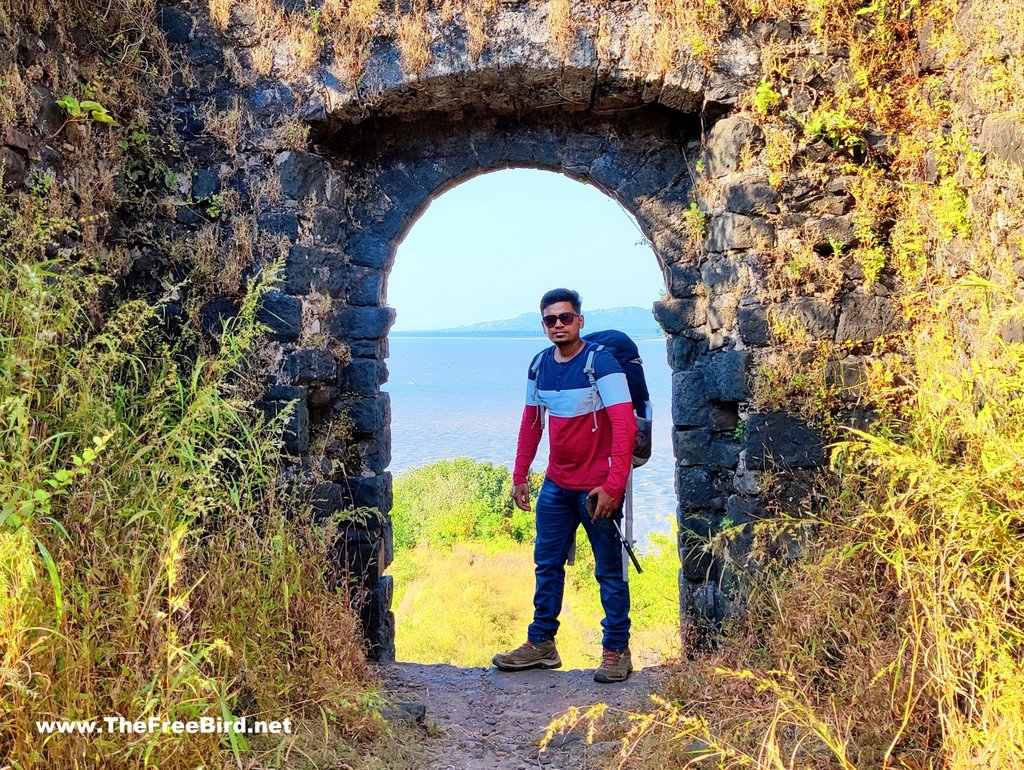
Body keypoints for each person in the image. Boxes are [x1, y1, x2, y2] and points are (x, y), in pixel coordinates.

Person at [492, 288, 638, 683]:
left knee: (609, 571)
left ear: (580, 321)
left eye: (566, 318)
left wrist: (613, 485)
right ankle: (542, 644)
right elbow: (531, 422)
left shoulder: (600, 363)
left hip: (596, 488)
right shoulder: (540, 365)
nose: (558, 325)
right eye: (550, 320)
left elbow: (624, 426)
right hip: (556, 485)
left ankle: (616, 650)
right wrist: (521, 474)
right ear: (543, 324)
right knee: (547, 566)